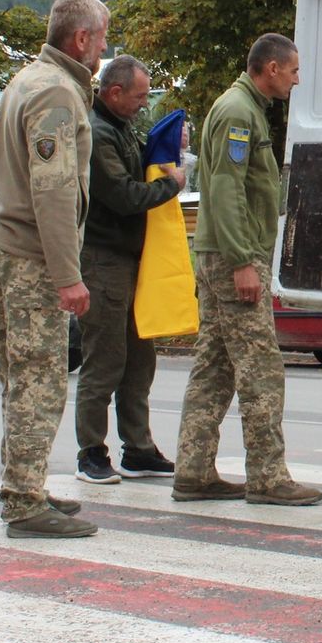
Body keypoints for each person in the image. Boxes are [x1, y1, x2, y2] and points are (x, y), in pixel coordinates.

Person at [172, 34, 322, 506]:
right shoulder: (240, 112)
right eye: (294, 71)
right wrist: (242, 262)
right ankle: (268, 476)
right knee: (261, 370)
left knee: (215, 367)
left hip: (221, 252)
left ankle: (193, 470)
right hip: (233, 255)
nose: (298, 80)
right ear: (272, 68)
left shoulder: (244, 107)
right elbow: (225, 188)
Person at [0, 0, 112, 538]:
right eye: (102, 39)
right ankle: (23, 501)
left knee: (19, 380)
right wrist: (67, 274)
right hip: (33, 256)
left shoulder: (25, 80)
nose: (104, 51)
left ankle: (25, 483)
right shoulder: (58, 93)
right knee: (40, 383)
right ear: (80, 39)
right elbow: (55, 190)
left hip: (3, 247)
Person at [74, 55, 183, 485]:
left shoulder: (119, 126)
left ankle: (137, 448)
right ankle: (91, 453)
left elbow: (135, 172)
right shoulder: (98, 133)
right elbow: (122, 195)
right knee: (105, 359)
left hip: (132, 259)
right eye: (139, 97)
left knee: (140, 359)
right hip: (104, 260)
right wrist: (169, 185)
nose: (143, 104)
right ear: (114, 92)